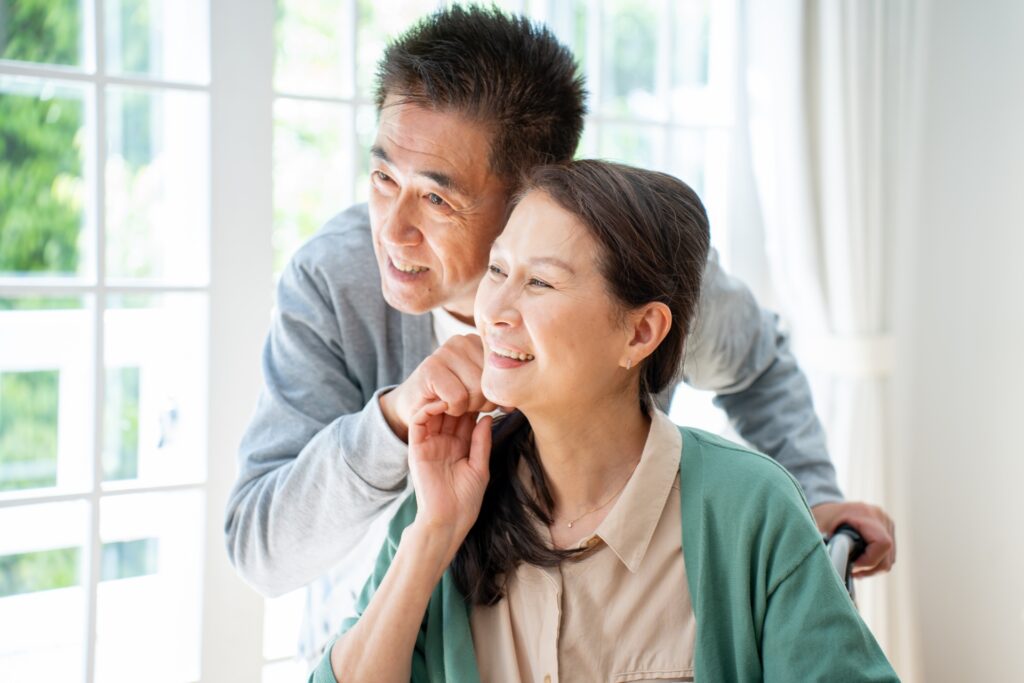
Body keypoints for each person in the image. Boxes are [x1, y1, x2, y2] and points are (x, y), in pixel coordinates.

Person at [224, 5, 895, 660]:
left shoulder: (633, 270)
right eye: (381, 177)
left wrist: (815, 498)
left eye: (436, 198)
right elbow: (263, 550)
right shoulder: (333, 279)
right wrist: (395, 422)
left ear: (531, 196)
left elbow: (757, 365)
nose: (391, 230)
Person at [311, 159, 898, 683]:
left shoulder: (750, 510)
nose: (493, 311)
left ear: (640, 332)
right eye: (496, 270)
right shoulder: (445, 501)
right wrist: (433, 534)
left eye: (539, 282)